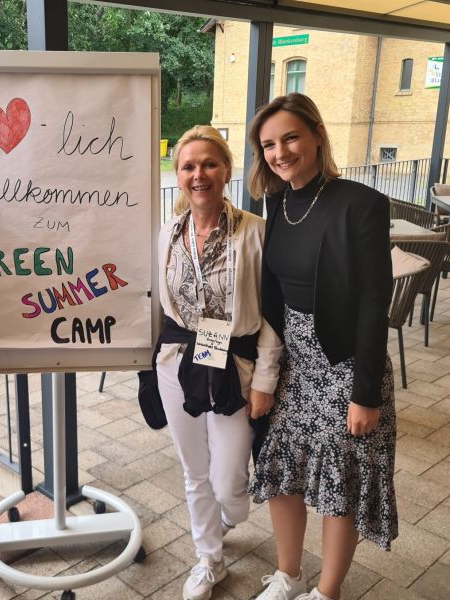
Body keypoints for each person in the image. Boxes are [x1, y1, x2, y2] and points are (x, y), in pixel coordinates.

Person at [246, 93, 397, 600]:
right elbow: (272, 297)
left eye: (290, 137)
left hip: (346, 361)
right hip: (296, 364)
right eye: (268, 144)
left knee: (338, 479)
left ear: (316, 134)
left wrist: (366, 393)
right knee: (281, 464)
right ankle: (289, 575)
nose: (280, 152)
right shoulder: (275, 202)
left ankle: (326, 592)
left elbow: (377, 301)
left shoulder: (361, 203)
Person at [156, 125, 282, 600]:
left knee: (230, 482)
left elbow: (274, 315)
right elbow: (157, 302)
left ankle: (228, 515)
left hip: (236, 365)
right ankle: (209, 559)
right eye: (189, 166)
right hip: (178, 362)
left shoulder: (255, 232)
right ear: (178, 174)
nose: (199, 174)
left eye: (209, 164)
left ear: (226, 171)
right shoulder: (169, 232)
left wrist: (266, 380)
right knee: (194, 472)